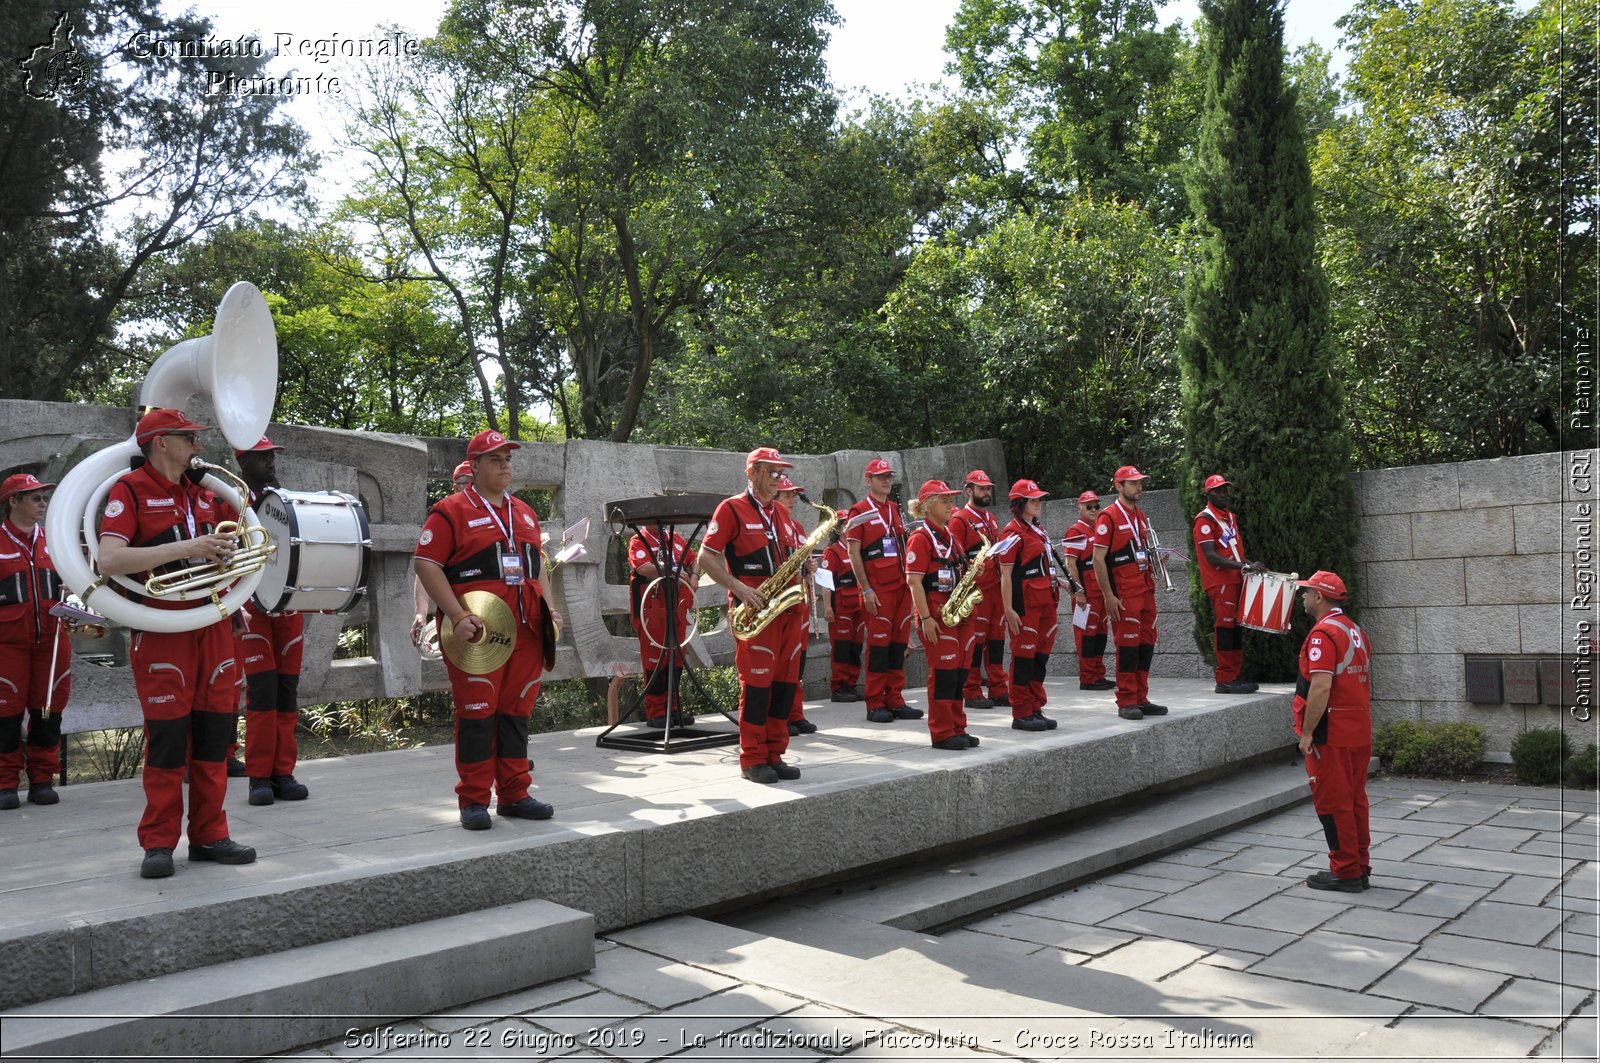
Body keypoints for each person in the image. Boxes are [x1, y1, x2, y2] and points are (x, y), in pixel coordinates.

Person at [97, 407, 256, 879]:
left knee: (215, 738)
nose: (198, 446)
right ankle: (159, 843)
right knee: (167, 742)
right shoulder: (128, 490)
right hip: (163, 627)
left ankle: (210, 836)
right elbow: (109, 558)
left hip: (213, 624)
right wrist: (188, 549)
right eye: (188, 438)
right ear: (160, 442)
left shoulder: (203, 491)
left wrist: (228, 559)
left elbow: (248, 534)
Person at [414, 429, 563, 830]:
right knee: (478, 711)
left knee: (517, 711)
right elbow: (425, 564)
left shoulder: (526, 512)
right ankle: (474, 800)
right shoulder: (450, 511)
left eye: (507, 458)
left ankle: (515, 794)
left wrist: (549, 608)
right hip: (477, 633)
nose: (505, 464)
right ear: (474, 465)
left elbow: (538, 566)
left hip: (529, 632)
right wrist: (457, 616)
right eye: (495, 459)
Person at [698, 447, 804, 784]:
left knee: (785, 687)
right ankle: (753, 759)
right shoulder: (731, 509)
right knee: (757, 687)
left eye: (780, 473)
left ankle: (775, 754)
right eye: (772, 473)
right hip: (754, 608)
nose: (779, 479)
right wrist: (739, 588)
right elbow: (705, 557)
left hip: (787, 610)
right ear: (752, 472)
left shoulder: (783, 514)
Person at [232, 437, 310, 807]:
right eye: (262, 458)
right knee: (262, 696)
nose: (270, 463)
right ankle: (259, 776)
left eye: (272, 457)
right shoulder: (230, 501)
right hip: (252, 610)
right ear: (243, 461)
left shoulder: (286, 500)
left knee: (287, 695)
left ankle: (284, 773)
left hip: (289, 610)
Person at [1292, 570, 1372, 892]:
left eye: (1307, 591)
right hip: (1357, 729)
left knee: (1333, 803)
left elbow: (1321, 688)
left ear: (1319, 597)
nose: (1303, 596)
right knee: (1355, 801)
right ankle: (1359, 865)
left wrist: (1307, 733)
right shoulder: (1355, 631)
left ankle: (1345, 871)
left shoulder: (1323, 635)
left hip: (1332, 733)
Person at [0, 473, 69, 808]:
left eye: (44, 498)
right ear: (13, 502)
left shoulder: (57, 539)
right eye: (35, 498)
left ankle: (42, 780)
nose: (43, 504)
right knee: (5, 716)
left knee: (48, 712)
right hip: (6, 645)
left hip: (53, 640)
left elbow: (81, 582)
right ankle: (4, 784)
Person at [905, 480, 978, 750]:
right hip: (936, 613)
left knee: (959, 674)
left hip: (958, 611)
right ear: (927, 506)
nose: (951, 506)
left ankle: (958, 726)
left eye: (950, 500)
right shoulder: (920, 538)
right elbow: (914, 582)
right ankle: (942, 732)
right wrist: (925, 619)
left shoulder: (951, 535)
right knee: (945, 674)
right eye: (944, 501)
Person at [845, 459, 919, 724]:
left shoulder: (893, 509)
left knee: (898, 645)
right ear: (868, 480)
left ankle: (895, 700)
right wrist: (866, 589)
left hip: (900, 588)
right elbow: (853, 553)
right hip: (878, 590)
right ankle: (875, 703)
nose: (886, 480)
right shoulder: (859, 511)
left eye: (888, 476)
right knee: (878, 648)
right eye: (880, 476)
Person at [1092, 466, 1165, 722]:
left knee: (1146, 646)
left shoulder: (1140, 516)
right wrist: (1108, 596)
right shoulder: (1108, 517)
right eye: (1132, 483)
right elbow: (1098, 560)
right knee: (1128, 647)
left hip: (1145, 589)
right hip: (1124, 594)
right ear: (1118, 486)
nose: (1139, 487)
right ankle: (1126, 700)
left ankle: (1141, 697)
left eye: (1140, 483)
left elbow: (1139, 551)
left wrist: (1158, 561)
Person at [994, 480, 1067, 732]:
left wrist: (1061, 582)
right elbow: (1006, 575)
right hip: (1026, 606)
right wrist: (1008, 610)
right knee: (1024, 658)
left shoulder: (1037, 529)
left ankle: (1035, 706)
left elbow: (1039, 567)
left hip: (1047, 602)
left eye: (1038, 499)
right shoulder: (1012, 533)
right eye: (1033, 499)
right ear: (1020, 503)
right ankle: (1021, 712)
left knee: (1039, 659)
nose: (1038, 503)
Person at [1193, 474, 1264, 694]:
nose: (1223, 494)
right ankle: (1224, 679)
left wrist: (1251, 565)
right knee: (1225, 628)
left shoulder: (1230, 518)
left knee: (1234, 628)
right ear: (1208, 494)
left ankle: (1235, 675)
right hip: (1220, 582)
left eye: (1225, 490)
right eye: (1218, 491)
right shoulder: (1205, 520)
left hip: (1235, 579)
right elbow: (1211, 556)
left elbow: (1233, 552)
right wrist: (1243, 568)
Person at [947, 470, 1009, 709]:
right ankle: (971, 690)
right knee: (975, 642)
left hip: (995, 589)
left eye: (988, 488)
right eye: (981, 488)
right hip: (977, 590)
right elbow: (955, 554)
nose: (986, 492)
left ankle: (998, 689)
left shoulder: (991, 518)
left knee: (996, 641)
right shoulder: (960, 519)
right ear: (969, 491)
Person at [627, 518, 696, 729]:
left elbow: (694, 557)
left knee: (676, 657)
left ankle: (674, 710)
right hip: (652, 605)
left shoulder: (674, 538)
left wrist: (694, 574)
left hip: (677, 604)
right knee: (655, 658)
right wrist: (673, 571)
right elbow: (643, 567)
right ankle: (656, 712)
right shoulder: (638, 540)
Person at [411, 461, 475, 648]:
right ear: (455, 487)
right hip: (457, 617)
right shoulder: (445, 518)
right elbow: (426, 568)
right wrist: (420, 613)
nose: (470, 486)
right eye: (464, 481)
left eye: (474, 480)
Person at [774, 477, 818, 736]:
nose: (792, 500)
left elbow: (803, 561)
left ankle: (795, 712)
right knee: (781, 663)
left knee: (797, 660)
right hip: (780, 603)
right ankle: (780, 716)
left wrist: (809, 567)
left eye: (793, 496)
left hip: (799, 598)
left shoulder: (799, 527)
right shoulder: (771, 525)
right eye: (786, 495)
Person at [1062, 489, 1115, 691]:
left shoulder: (1099, 529)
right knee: (1086, 636)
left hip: (1100, 592)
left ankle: (1098, 674)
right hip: (1086, 594)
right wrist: (1078, 591)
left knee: (1100, 635)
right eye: (1089, 506)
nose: (1094, 509)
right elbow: (1070, 564)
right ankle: (1087, 677)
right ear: (1080, 508)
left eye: (1096, 506)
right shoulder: (1075, 531)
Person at [818, 527, 864, 702]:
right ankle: (838, 688)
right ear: (838, 530)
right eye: (846, 524)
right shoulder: (832, 552)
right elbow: (826, 582)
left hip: (858, 606)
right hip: (841, 607)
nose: (850, 528)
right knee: (841, 649)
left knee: (855, 648)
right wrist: (828, 607)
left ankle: (851, 685)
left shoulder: (857, 547)